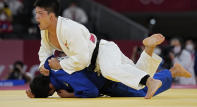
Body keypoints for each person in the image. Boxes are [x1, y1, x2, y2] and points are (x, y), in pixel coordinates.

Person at [34, 0, 166, 99]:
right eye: (36, 13)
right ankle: (148, 49)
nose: (36, 17)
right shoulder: (45, 31)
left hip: (103, 52)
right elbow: (45, 50)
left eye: (40, 13)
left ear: (51, 16)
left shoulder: (69, 30)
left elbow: (83, 60)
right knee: (135, 73)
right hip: (98, 60)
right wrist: (42, 65)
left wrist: (60, 65)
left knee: (110, 70)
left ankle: (150, 81)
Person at [26, 55, 191, 98]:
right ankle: (167, 69)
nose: (53, 93)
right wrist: (33, 91)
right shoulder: (54, 73)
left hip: (109, 83)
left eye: (50, 93)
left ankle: (172, 72)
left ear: (49, 88)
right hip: (105, 69)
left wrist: (72, 94)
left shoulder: (64, 77)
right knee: (137, 73)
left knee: (142, 91)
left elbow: (91, 91)